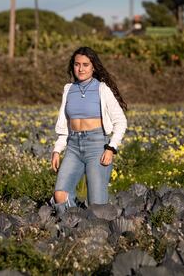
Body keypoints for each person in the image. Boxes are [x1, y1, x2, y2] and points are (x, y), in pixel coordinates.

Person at [50, 46, 127, 215]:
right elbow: (65, 126)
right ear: (73, 66)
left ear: (93, 67)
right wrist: (57, 150)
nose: (81, 68)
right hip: (73, 147)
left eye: (85, 64)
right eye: (77, 64)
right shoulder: (68, 89)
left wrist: (111, 147)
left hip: (97, 146)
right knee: (60, 195)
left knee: (96, 207)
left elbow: (121, 121)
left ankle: (92, 230)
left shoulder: (102, 89)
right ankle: (72, 225)